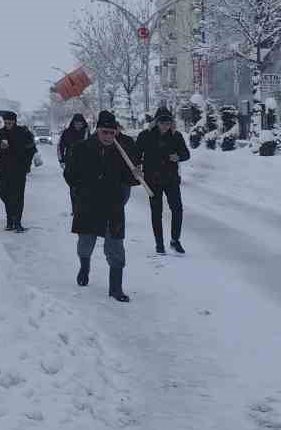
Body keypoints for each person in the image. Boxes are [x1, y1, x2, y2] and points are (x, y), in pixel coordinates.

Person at [64, 110, 141, 302]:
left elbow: (128, 179)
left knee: (116, 246)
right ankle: (84, 266)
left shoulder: (121, 151)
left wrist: (136, 174)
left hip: (113, 205)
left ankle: (116, 288)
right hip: (88, 204)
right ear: (97, 131)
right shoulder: (81, 148)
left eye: (111, 133)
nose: (108, 136)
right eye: (104, 132)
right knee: (85, 243)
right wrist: (82, 187)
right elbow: (69, 175)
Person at [136, 107, 190, 254]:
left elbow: (186, 154)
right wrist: (138, 165)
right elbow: (136, 153)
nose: (165, 125)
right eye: (162, 122)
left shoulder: (176, 136)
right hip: (152, 179)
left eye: (168, 122)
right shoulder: (146, 135)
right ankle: (159, 243)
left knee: (177, 208)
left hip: (171, 178)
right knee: (156, 212)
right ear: (156, 122)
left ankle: (175, 240)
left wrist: (178, 157)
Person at [0, 110, 37, 232]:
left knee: (18, 196)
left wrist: (27, 164)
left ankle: (17, 222)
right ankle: (10, 219)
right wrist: (0, 147)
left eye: (10, 122)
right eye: (6, 122)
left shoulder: (23, 133)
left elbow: (31, 149)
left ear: (15, 122)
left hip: (18, 170)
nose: (8, 124)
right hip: (3, 169)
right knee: (4, 194)